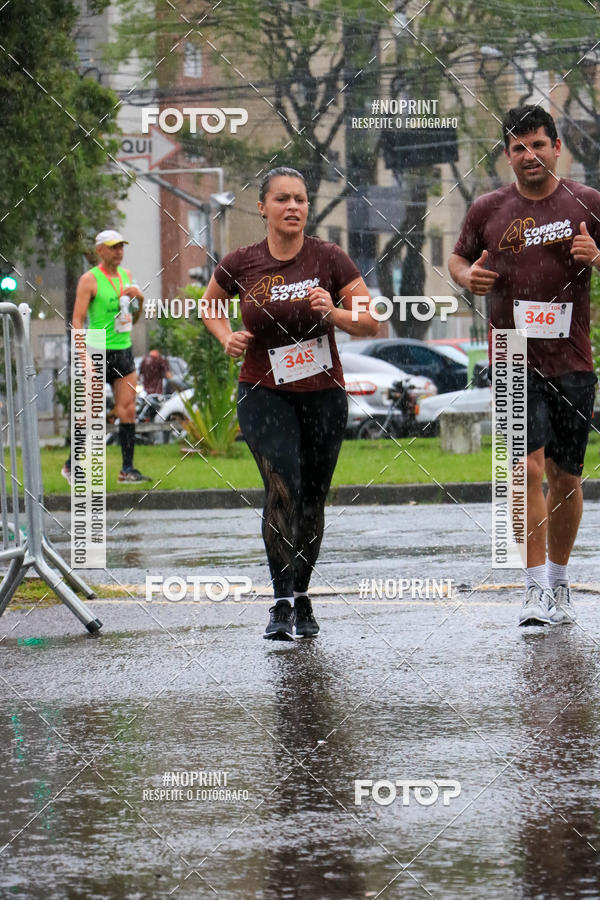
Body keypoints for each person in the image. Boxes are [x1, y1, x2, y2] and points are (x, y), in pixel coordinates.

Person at [200, 166, 378, 640]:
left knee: (313, 499)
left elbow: (370, 322)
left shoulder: (329, 257)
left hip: (322, 395)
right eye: (282, 199)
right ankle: (280, 601)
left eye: (300, 199)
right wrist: (226, 336)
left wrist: (334, 311)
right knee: (282, 488)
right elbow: (209, 303)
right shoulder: (241, 261)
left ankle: (302, 594)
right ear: (263, 208)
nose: (293, 207)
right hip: (264, 392)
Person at [448, 105, 600, 626]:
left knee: (565, 478)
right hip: (511, 353)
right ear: (507, 156)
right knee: (525, 470)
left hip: (573, 357)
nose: (529, 155)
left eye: (538, 144)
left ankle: (558, 582)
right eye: (518, 147)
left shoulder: (587, 202)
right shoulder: (489, 209)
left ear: (557, 147)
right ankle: (532, 590)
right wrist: (468, 278)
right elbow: (457, 259)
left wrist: (595, 255)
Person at [61, 229, 150, 484]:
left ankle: (127, 469)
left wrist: (141, 301)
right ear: (100, 250)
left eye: (121, 246)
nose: (119, 251)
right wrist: (84, 357)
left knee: (128, 410)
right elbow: (77, 320)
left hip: (123, 347)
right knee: (89, 412)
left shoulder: (127, 277)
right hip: (97, 347)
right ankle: (71, 466)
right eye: (113, 247)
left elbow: (133, 319)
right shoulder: (89, 279)